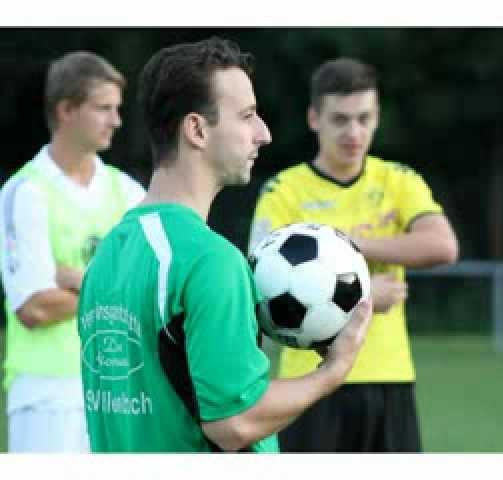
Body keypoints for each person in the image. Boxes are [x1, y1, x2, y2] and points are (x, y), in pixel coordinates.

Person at [76, 37, 372, 453]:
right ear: (196, 129)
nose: (263, 133)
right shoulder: (209, 260)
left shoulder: (108, 254)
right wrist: (333, 371)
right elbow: (234, 422)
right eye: (247, 115)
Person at [249, 58, 459, 452]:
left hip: (389, 378)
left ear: (377, 117)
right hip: (308, 381)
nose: (354, 132)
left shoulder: (398, 180)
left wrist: (348, 248)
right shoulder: (284, 190)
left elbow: (442, 245)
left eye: (365, 118)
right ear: (315, 118)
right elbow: (259, 283)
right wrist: (363, 297)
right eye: (340, 119)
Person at [0, 51, 145, 452]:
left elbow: (147, 292)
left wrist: (82, 280)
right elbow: (34, 308)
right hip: (47, 395)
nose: (116, 120)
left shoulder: (129, 192)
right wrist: (114, 285)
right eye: (103, 108)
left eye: (117, 109)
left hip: (121, 387)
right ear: (66, 110)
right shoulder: (26, 191)